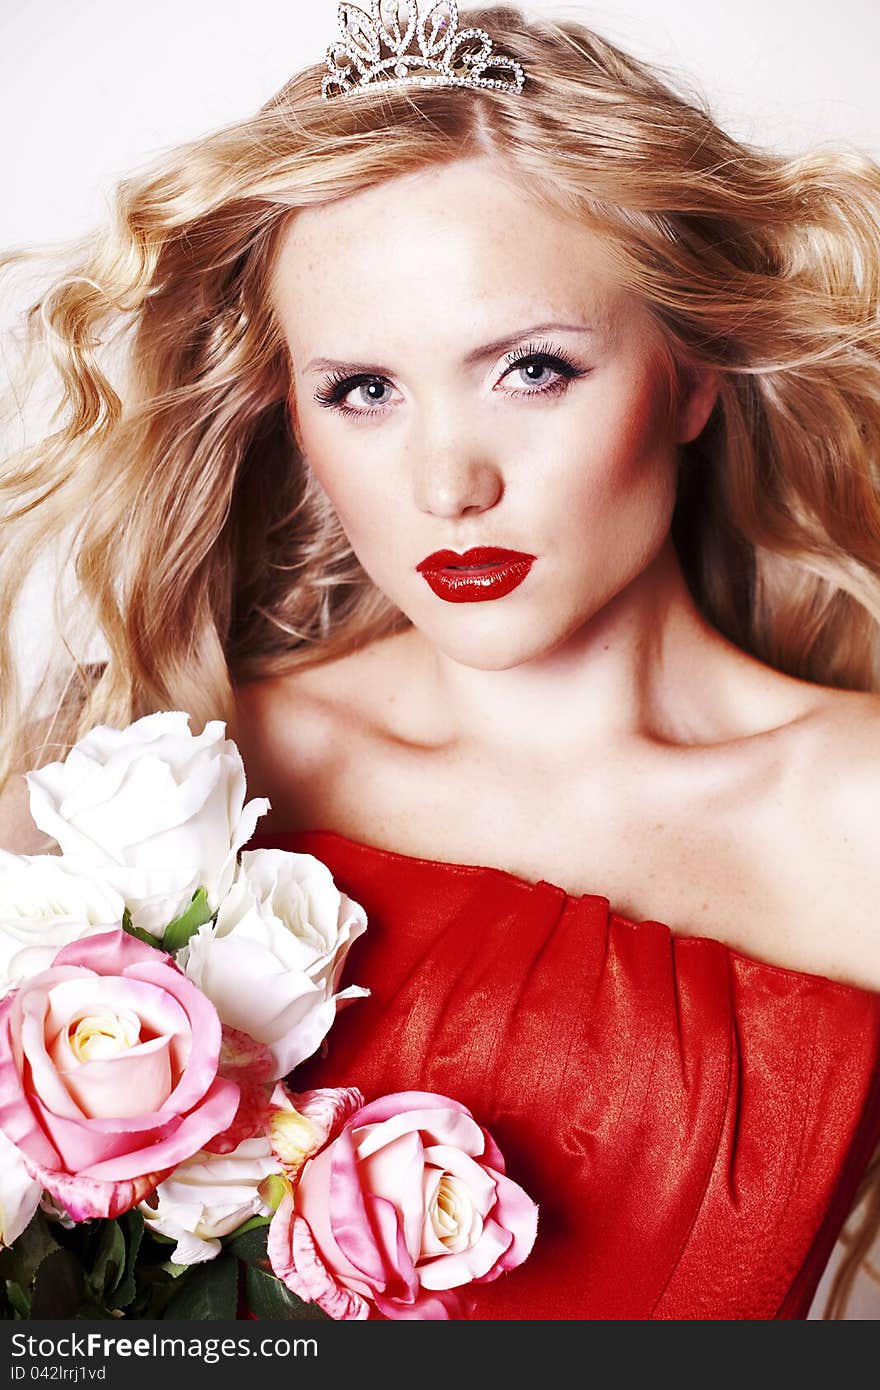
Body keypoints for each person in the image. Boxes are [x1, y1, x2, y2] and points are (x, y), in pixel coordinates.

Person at [1, 2, 879, 1319]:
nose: (448, 481)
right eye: (365, 389)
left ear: (690, 374)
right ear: (293, 415)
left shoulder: (854, 811)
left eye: (532, 369)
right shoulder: (177, 779)